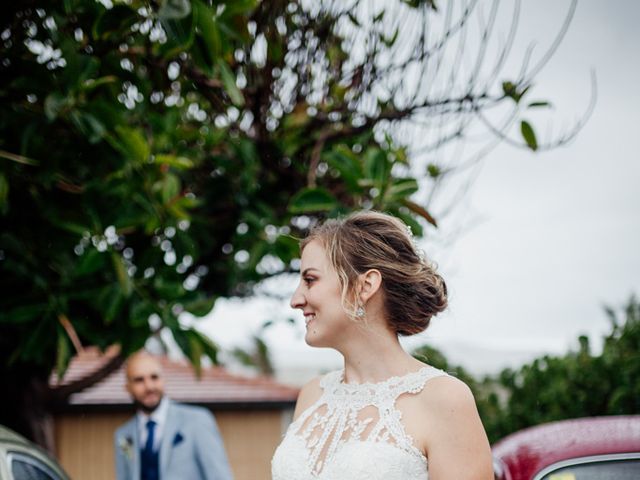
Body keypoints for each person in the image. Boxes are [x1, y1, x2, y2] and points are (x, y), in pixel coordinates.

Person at [271, 211, 493, 479]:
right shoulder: (312, 395)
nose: (295, 299)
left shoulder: (444, 399)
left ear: (364, 286)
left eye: (310, 280)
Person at [114, 351, 233, 480]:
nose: (149, 386)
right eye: (139, 380)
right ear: (128, 387)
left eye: (154, 377)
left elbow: (219, 476)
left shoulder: (197, 420)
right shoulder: (123, 435)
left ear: (163, 380)